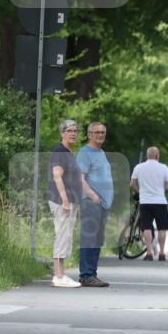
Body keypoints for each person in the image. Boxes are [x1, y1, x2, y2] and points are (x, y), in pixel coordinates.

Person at [77, 121, 113, 287]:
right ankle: (86, 275)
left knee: (97, 239)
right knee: (89, 238)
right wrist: (92, 195)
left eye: (102, 132)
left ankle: (92, 274)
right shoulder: (85, 153)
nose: (100, 135)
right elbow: (80, 178)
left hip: (102, 204)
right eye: (97, 132)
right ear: (89, 134)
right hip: (91, 202)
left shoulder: (101, 152)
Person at [47, 119, 82, 287]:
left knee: (66, 236)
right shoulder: (60, 151)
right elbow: (57, 176)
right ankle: (59, 276)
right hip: (62, 201)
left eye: (75, 131)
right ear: (62, 133)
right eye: (69, 130)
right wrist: (65, 200)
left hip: (71, 201)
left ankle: (61, 274)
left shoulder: (68, 152)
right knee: (62, 235)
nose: (73, 133)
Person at [130, 146, 168, 262]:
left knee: (147, 227)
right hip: (160, 202)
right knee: (162, 228)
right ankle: (162, 253)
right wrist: (162, 190)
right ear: (157, 155)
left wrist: (140, 192)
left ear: (147, 155)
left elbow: (132, 184)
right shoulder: (163, 167)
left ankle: (149, 253)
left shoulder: (139, 167)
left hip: (145, 202)